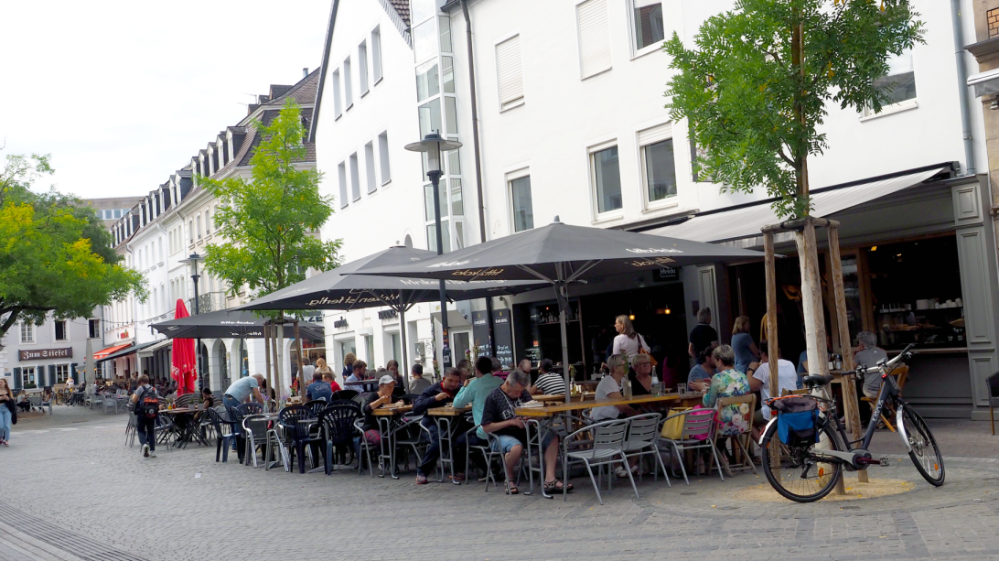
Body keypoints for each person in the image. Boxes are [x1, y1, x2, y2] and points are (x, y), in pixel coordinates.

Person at [481, 369, 568, 494]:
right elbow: (486, 427)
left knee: (551, 437)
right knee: (516, 447)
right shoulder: (493, 397)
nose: (518, 395)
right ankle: (509, 478)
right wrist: (510, 422)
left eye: (520, 392)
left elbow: (537, 415)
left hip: (526, 432)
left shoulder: (524, 394)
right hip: (501, 435)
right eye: (516, 392)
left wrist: (532, 417)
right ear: (507, 384)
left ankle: (550, 479)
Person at [702, 345, 752, 476]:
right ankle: (723, 454)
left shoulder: (718, 378)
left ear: (719, 360)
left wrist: (703, 389)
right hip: (743, 424)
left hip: (724, 426)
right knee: (718, 426)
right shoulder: (743, 376)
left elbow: (708, 403)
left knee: (701, 424)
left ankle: (708, 458)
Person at [412, 367, 466, 484]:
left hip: (453, 423)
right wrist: (434, 399)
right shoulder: (433, 389)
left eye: (456, 381)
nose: (454, 384)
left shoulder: (460, 389)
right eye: (451, 381)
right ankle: (422, 471)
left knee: (467, 435)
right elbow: (416, 407)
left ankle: (458, 470)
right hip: (432, 423)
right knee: (441, 439)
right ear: (444, 379)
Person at [748, 346, 800, 431]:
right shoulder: (790, 364)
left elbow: (747, 387)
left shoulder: (764, 367)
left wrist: (750, 369)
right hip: (791, 407)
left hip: (773, 409)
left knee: (747, 421)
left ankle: (763, 444)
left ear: (763, 354)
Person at [454, 356, 504, 443]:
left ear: (477, 370)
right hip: (501, 430)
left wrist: (464, 387)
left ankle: (476, 456)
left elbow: (457, 404)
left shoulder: (474, 384)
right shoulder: (500, 381)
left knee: (458, 440)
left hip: (484, 434)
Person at [359, 375, 405, 449]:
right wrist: (380, 401)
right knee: (382, 439)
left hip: (387, 428)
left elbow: (400, 403)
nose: (391, 389)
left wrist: (401, 402)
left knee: (403, 432)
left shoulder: (393, 397)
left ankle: (395, 458)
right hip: (372, 427)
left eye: (392, 387)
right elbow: (366, 408)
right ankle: (382, 458)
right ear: (381, 386)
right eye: (389, 386)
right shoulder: (374, 396)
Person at [591, 354, 640, 423]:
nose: (627, 366)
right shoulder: (608, 381)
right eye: (624, 364)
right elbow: (623, 407)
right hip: (602, 421)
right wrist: (642, 418)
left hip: (615, 419)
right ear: (616, 368)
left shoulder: (623, 380)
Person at [130, 375, 160, 458]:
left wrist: (135, 395)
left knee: (141, 430)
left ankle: (144, 444)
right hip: (152, 413)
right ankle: (153, 451)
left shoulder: (141, 388)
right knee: (151, 432)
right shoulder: (154, 389)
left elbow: (134, 400)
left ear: (141, 382)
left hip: (142, 413)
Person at [855, 331, 889, 399]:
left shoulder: (859, 354)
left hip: (872, 391)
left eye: (859, 342)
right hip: (886, 388)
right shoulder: (883, 352)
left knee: (859, 384)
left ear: (862, 344)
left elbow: (849, 368)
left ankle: (866, 409)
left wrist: (854, 353)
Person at [0, 379, 16, 447]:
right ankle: (1, 436)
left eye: (1, 382)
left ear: (5, 383)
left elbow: (12, 400)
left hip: (7, 409)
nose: (0, 383)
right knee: (1, 426)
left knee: (7, 425)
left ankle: (6, 440)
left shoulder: (9, 391)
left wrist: (7, 398)